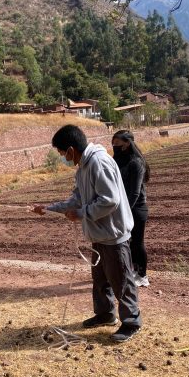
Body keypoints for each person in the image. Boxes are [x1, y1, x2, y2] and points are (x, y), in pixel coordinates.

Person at [33, 125, 142, 342]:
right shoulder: (83, 167)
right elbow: (76, 199)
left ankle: (131, 322)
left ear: (71, 150)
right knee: (100, 279)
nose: (63, 157)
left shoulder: (98, 162)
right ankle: (105, 314)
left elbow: (110, 200)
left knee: (121, 280)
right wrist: (49, 208)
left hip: (113, 235)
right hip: (98, 235)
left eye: (62, 153)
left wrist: (82, 213)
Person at [112, 130, 150, 287]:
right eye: (113, 143)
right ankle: (131, 270)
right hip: (122, 207)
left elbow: (134, 193)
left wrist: (124, 212)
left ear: (127, 143)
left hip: (137, 208)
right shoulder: (118, 160)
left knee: (137, 242)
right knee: (126, 242)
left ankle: (142, 275)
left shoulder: (136, 162)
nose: (114, 146)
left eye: (117, 143)